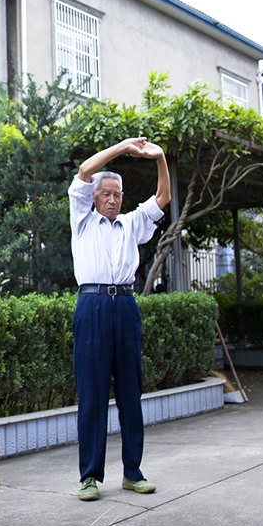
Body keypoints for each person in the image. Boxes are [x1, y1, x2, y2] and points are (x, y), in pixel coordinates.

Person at [68, 137, 170, 502]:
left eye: (117, 194)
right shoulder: (82, 221)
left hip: (125, 306)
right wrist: (124, 147)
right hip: (92, 306)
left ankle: (133, 473)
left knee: (130, 392)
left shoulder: (131, 225)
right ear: (94, 197)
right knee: (92, 395)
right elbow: (84, 171)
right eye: (106, 193)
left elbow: (162, 199)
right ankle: (89, 477)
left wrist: (159, 158)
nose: (112, 199)